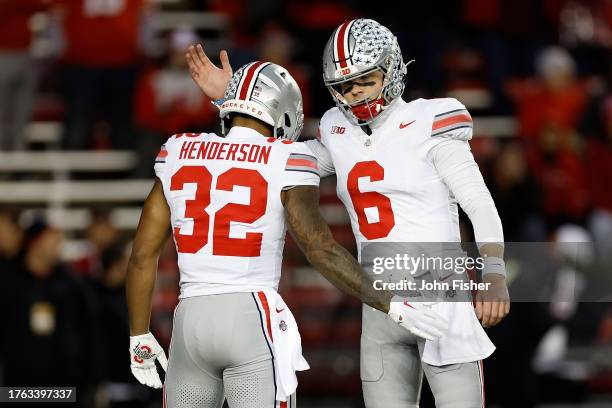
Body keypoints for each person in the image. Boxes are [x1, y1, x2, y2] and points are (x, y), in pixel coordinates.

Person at [188, 18, 510, 408]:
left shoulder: (431, 120)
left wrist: (493, 272)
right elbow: (276, 159)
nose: (354, 94)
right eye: (344, 86)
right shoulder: (337, 129)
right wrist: (235, 102)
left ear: (390, 70)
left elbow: (478, 201)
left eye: (364, 81)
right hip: (380, 302)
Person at [126, 61, 449, 408]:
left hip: (189, 323)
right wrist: (394, 305)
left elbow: (143, 256)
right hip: (251, 319)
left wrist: (139, 336)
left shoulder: (178, 150)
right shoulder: (290, 157)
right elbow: (320, 250)